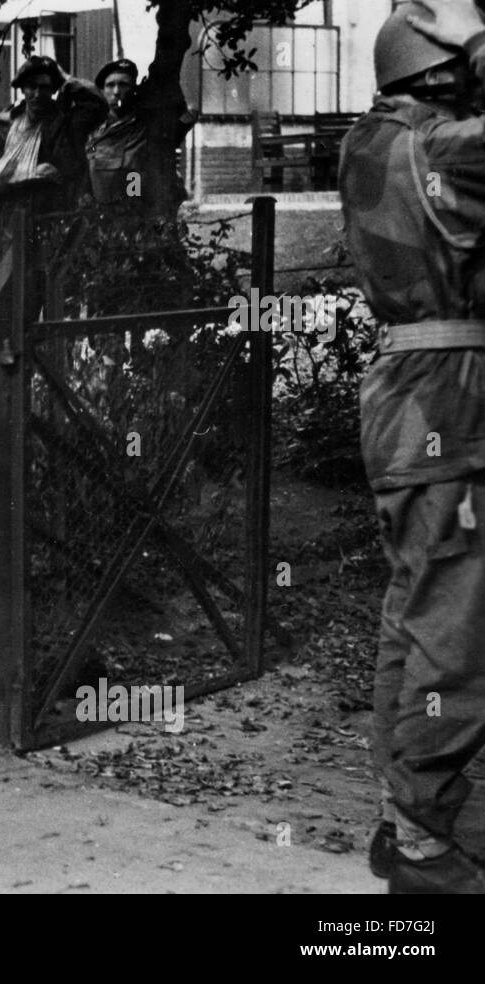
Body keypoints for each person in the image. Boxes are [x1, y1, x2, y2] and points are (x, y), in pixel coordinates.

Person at [340, 0, 485, 893]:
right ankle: (425, 842)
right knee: (456, 624)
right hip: (447, 392)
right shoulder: (439, 145)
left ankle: (405, 819)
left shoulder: (376, 136)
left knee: (416, 606)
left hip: (412, 390)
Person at [0, 55, 107, 254]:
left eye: (44, 87)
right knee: (15, 283)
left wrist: (65, 78)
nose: (37, 93)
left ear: (53, 89)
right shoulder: (5, 127)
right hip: (13, 228)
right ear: (22, 89)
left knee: (55, 281)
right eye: (31, 86)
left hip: (57, 224)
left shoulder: (68, 124)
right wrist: (31, 174)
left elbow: (98, 105)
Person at [85, 57, 195, 218]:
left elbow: (186, 114)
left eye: (123, 85)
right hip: (101, 221)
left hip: (138, 218)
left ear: (134, 89)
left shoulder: (148, 128)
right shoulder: (93, 134)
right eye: (110, 85)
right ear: (102, 91)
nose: (116, 92)